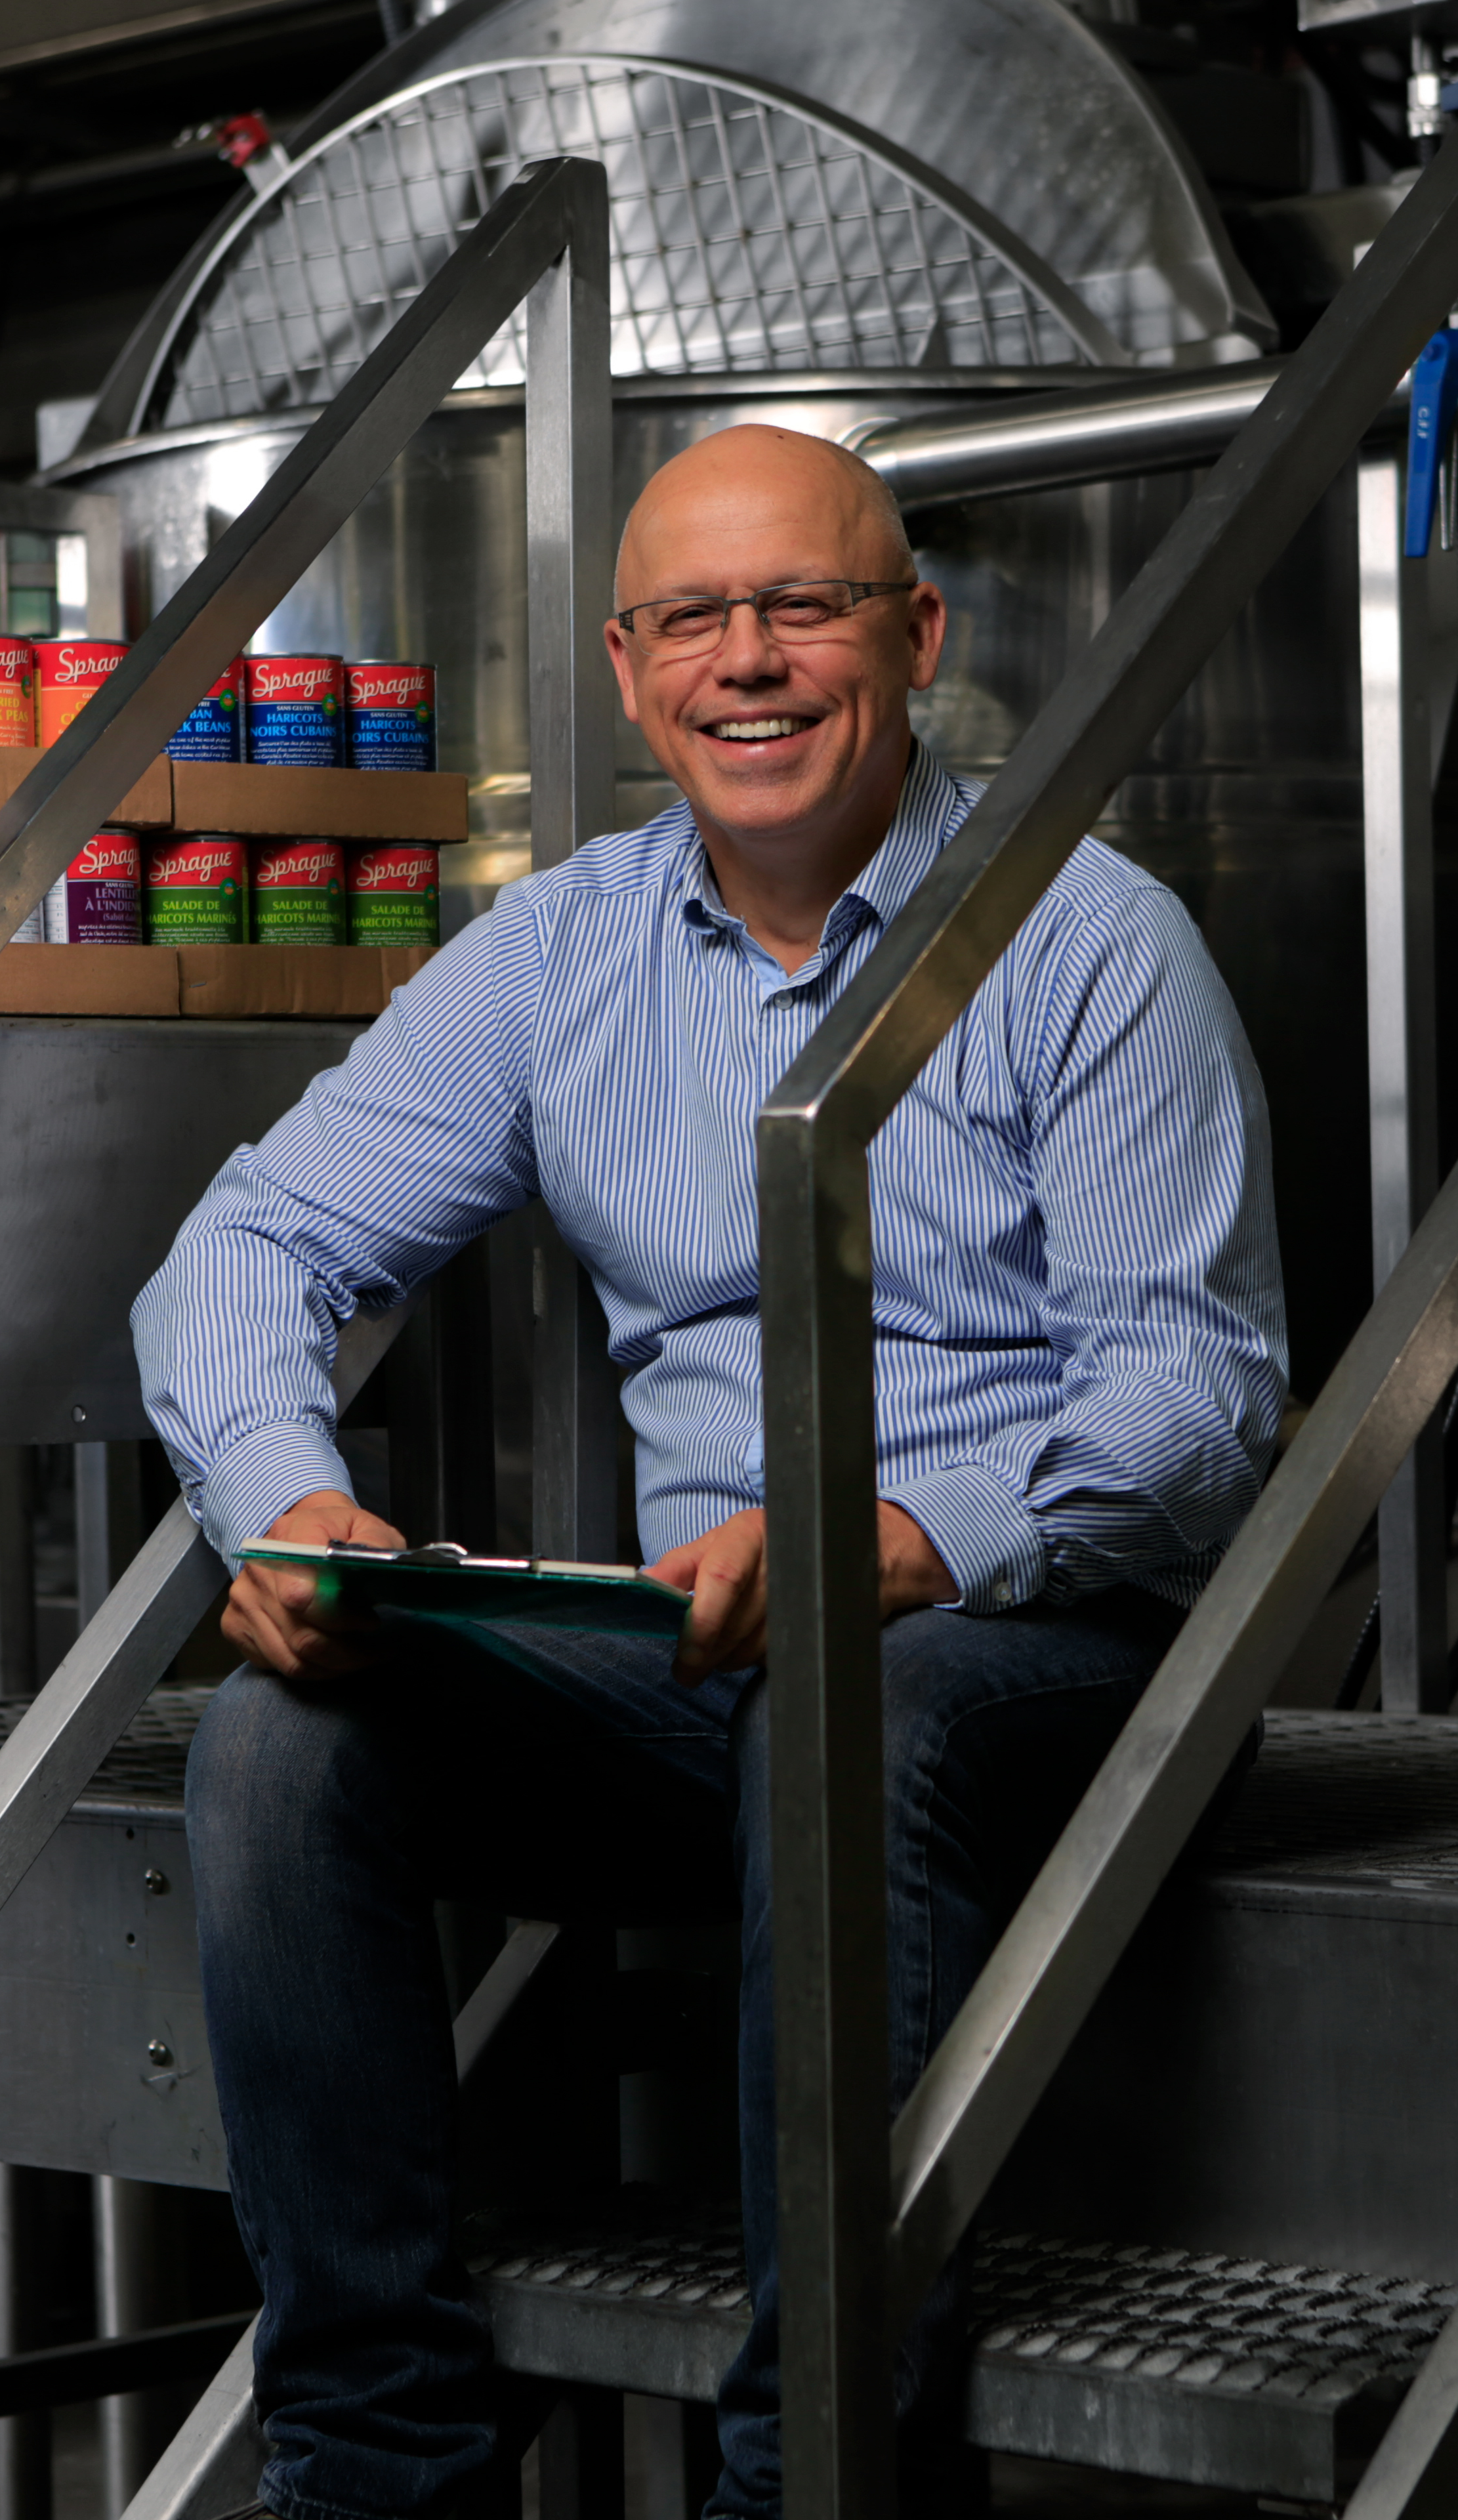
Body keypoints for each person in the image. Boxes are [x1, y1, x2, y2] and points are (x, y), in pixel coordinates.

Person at [133, 422, 1286, 2520]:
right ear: (627, 666)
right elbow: (251, 1244)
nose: (747, 661)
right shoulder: (561, 954)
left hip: (1043, 1650)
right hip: (703, 1658)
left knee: (869, 1708)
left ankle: (806, 2483)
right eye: (693, 619)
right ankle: (376, 2470)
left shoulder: (1090, 939)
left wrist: (897, 1545)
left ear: (914, 634)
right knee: (282, 1748)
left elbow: (1194, 1396)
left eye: (804, 605)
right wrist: (284, 1504)